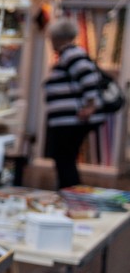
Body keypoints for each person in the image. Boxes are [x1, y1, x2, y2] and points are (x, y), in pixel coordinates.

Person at [43, 17, 105, 190]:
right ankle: (69, 193)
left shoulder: (72, 54)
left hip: (71, 120)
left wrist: (90, 106)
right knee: (65, 158)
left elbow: (88, 78)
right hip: (68, 119)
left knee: (64, 158)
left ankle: (70, 194)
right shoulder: (69, 55)